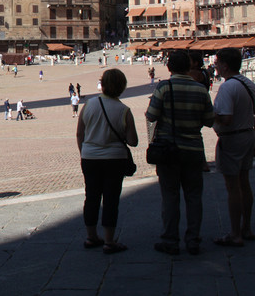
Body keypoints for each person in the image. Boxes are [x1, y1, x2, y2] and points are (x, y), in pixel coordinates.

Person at [145, 50, 214, 256]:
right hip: (193, 150)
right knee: (194, 196)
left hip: (169, 150)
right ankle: (193, 240)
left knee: (170, 196)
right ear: (188, 67)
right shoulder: (201, 90)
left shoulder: (164, 87)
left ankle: (170, 241)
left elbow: (151, 115)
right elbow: (210, 121)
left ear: (169, 68)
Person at [76, 68, 138, 254]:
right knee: (111, 199)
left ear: (102, 84)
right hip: (115, 159)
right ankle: (109, 241)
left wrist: (84, 152)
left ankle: (91, 236)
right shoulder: (124, 110)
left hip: (89, 158)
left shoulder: (89, 105)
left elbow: (80, 133)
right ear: (122, 87)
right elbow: (133, 141)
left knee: (91, 197)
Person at [212, 47, 255, 247]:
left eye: (217, 62)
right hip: (248, 135)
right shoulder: (249, 84)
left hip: (232, 139)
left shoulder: (227, 88)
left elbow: (226, 119)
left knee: (233, 187)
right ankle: (247, 228)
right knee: (245, 183)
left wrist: (208, 114)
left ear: (225, 65)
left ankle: (235, 234)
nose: (214, 65)